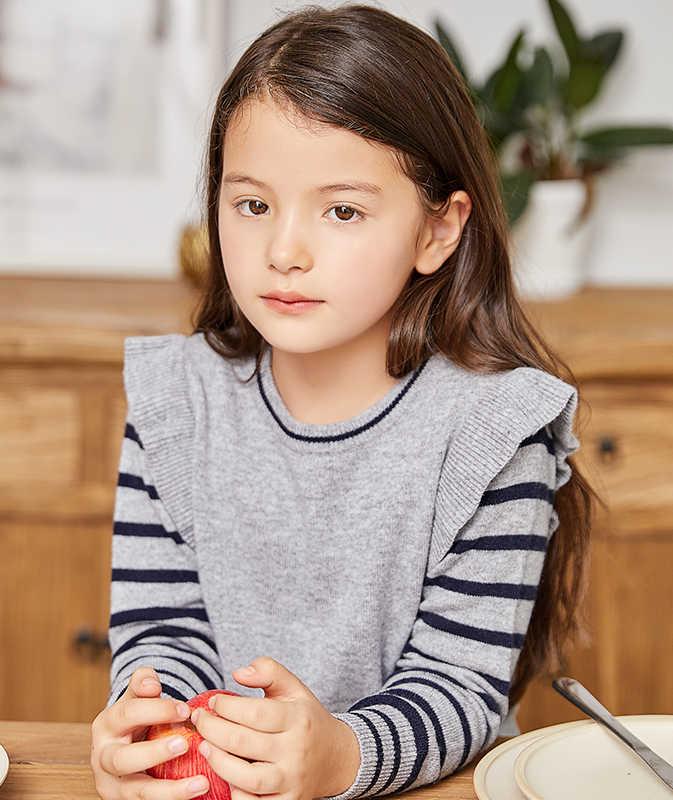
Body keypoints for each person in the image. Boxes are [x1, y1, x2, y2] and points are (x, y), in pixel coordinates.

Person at [91, 5, 595, 799]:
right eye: (252, 205)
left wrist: (342, 755)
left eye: (343, 210)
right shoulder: (175, 403)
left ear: (438, 231)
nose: (285, 251)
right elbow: (164, 628)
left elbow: (460, 687)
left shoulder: (495, 434)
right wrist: (150, 726)